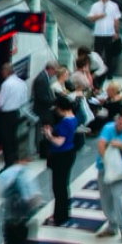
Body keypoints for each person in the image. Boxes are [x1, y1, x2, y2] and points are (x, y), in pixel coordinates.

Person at [96, 111, 122, 242]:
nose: (120, 126)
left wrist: (121, 145)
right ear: (117, 119)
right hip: (104, 168)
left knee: (117, 197)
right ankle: (112, 224)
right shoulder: (108, 128)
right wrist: (106, 160)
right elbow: (101, 144)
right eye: (119, 123)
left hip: (119, 170)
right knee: (105, 199)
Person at [44, 95, 78, 227]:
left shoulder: (65, 122)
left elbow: (59, 142)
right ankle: (62, 213)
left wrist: (48, 135)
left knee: (58, 187)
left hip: (61, 156)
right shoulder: (73, 117)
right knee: (63, 186)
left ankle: (59, 216)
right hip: (69, 153)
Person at [0, 62, 28, 169]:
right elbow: (24, 99)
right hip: (16, 113)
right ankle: (15, 159)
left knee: (6, 140)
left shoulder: (6, 84)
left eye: (2, 71)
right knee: (13, 138)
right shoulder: (21, 83)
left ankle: (8, 163)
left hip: (6, 115)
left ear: (6, 71)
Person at [87, 0, 122, 78]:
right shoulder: (95, 5)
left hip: (109, 34)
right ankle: (97, 74)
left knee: (109, 55)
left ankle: (109, 74)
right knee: (97, 55)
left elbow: (116, 19)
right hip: (98, 34)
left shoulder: (114, 6)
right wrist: (99, 16)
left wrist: (116, 31)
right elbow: (90, 18)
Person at [32, 60, 58, 158]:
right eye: (55, 71)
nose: (55, 74)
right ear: (50, 69)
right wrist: (54, 102)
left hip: (45, 108)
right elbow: (42, 97)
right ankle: (46, 151)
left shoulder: (44, 78)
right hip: (42, 110)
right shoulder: (41, 79)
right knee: (47, 127)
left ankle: (48, 149)